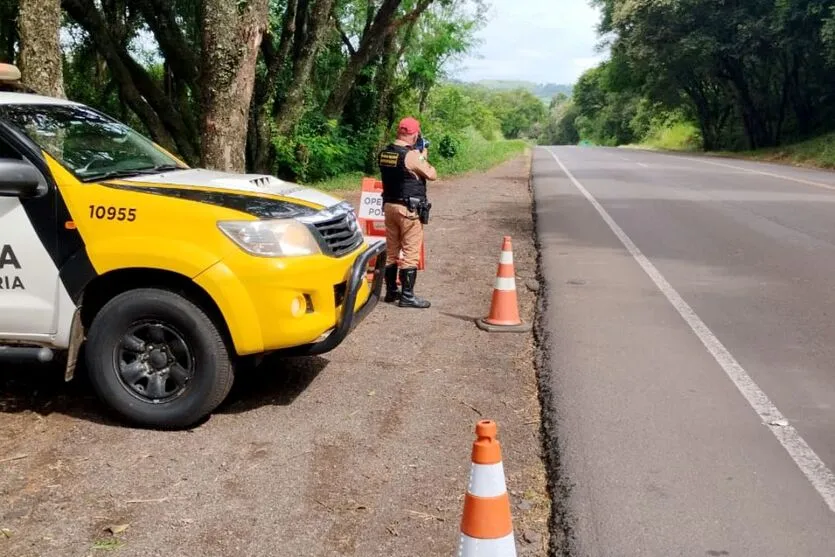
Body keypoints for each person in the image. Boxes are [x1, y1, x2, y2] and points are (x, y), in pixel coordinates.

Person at [377, 116, 437, 308]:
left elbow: (404, 170)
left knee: (393, 251)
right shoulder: (411, 155)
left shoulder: (385, 153)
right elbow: (431, 174)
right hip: (408, 210)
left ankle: (391, 292)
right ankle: (407, 296)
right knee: (411, 253)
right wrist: (422, 154)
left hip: (389, 207)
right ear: (414, 134)